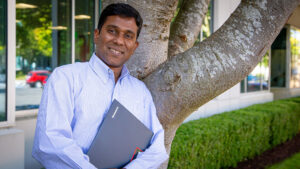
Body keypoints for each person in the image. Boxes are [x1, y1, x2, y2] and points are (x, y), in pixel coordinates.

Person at [32, 3, 168, 169]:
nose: (119, 41)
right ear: (97, 35)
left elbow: (157, 147)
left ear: (134, 46)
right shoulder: (65, 78)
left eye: (128, 36)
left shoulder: (140, 92)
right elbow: (50, 141)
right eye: (112, 31)